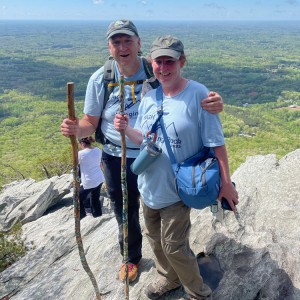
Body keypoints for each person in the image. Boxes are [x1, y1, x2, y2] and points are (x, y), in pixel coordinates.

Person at [60, 19, 224, 283]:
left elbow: (183, 93)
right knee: (124, 209)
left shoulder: (155, 70)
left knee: (166, 211)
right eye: (116, 41)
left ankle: (179, 261)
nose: (123, 47)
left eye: (128, 41)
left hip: (158, 156)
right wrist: (74, 129)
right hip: (116, 155)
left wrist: (213, 102)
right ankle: (131, 257)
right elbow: (89, 123)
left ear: (138, 44)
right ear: (109, 47)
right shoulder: (101, 78)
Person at [114, 35, 238, 299]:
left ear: (182, 61)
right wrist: (127, 130)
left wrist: (226, 184)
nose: (163, 67)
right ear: (151, 62)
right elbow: (148, 140)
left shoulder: (199, 95)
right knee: (155, 240)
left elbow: (217, 144)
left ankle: (197, 291)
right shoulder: (150, 96)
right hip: (149, 187)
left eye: (169, 61)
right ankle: (168, 278)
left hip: (178, 190)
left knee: (174, 246)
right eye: (158, 61)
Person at [78, 136, 105, 219]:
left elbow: (76, 165)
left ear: (82, 143)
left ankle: (81, 216)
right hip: (99, 178)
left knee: (78, 197)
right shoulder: (97, 150)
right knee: (95, 198)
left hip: (89, 181)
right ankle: (97, 215)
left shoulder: (81, 154)